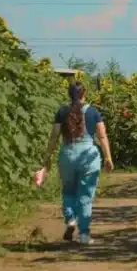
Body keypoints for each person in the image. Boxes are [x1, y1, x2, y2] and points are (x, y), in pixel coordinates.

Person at [35, 81, 115, 244]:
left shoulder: (62, 112)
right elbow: (102, 136)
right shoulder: (93, 112)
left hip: (68, 154)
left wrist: (47, 157)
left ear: (69, 94)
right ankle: (84, 234)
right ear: (84, 93)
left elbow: (54, 136)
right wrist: (108, 157)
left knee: (68, 191)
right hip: (88, 156)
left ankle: (71, 220)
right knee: (86, 195)